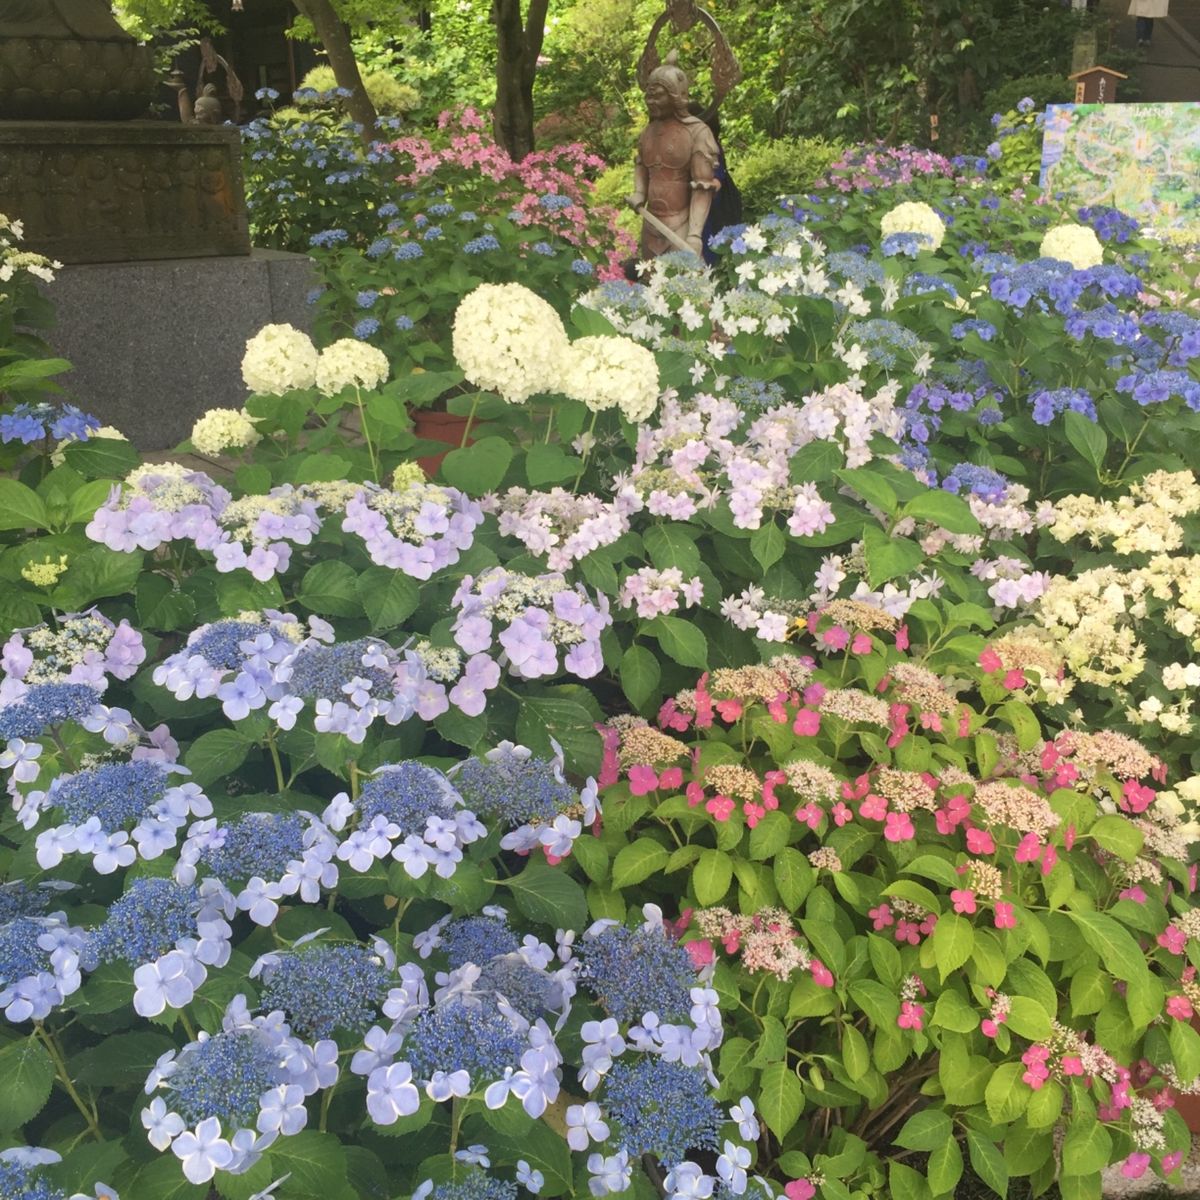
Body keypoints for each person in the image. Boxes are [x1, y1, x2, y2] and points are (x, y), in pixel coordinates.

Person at [628, 55, 721, 259]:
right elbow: (642, 165)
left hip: (681, 226)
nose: (651, 102)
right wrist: (639, 193)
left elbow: (703, 187)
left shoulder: (697, 132)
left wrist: (695, 234)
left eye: (658, 96)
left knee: (683, 285)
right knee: (650, 282)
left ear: (676, 96)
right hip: (651, 224)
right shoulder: (648, 133)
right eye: (649, 96)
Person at [688, 101, 743, 266]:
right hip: (697, 205)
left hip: (713, 208)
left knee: (711, 250)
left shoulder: (710, 146)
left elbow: (717, 181)